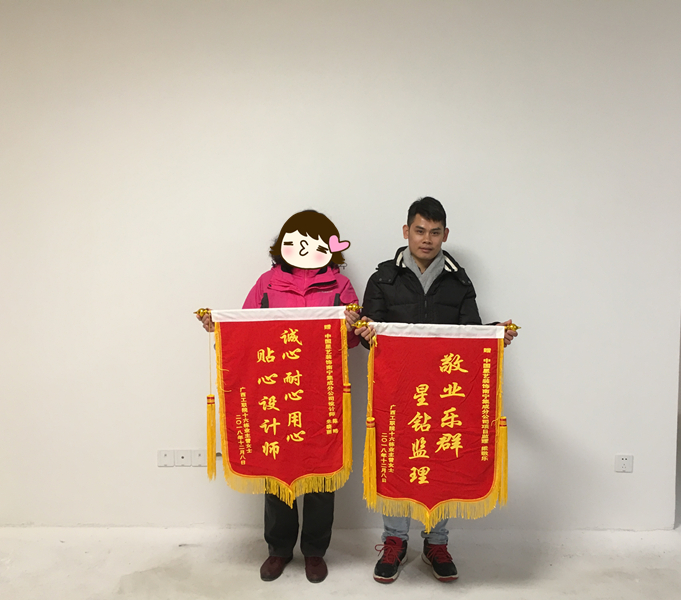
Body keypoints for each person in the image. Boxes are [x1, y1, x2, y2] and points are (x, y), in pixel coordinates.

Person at [354, 197, 517, 584]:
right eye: (420, 231)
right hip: (396, 391)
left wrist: (495, 335)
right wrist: (365, 332)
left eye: (435, 232)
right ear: (406, 231)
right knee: (395, 461)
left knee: (442, 458)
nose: (426, 239)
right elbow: (369, 332)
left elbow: (469, 334)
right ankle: (395, 541)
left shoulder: (458, 280)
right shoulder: (383, 278)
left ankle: (437, 542)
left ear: (445, 235)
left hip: (444, 392)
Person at [198, 209, 360, 584]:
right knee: (276, 470)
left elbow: (352, 341)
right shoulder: (267, 284)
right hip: (276, 390)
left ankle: (315, 552)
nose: (304, 248)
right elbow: (244, 330)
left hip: (321, 393)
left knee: (320, 472)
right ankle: (279, 549)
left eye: (312, 242)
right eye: (297, 240)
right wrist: (218, 326)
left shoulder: (340, 285)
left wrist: (354, 325)